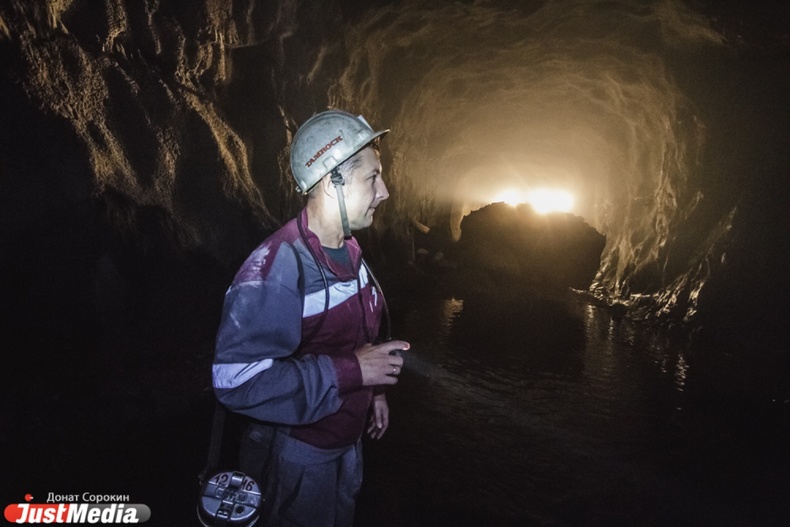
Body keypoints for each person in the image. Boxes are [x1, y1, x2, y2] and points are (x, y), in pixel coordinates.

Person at [212, 109, 410, 526]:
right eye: (372, 178)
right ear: (329, 183)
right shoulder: (276, 269)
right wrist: (351, 371)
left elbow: (354, 337)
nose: (385, 192)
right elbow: (235, 381)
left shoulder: (350, 252)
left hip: (347, 442)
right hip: (300, 455)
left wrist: (373, 390)